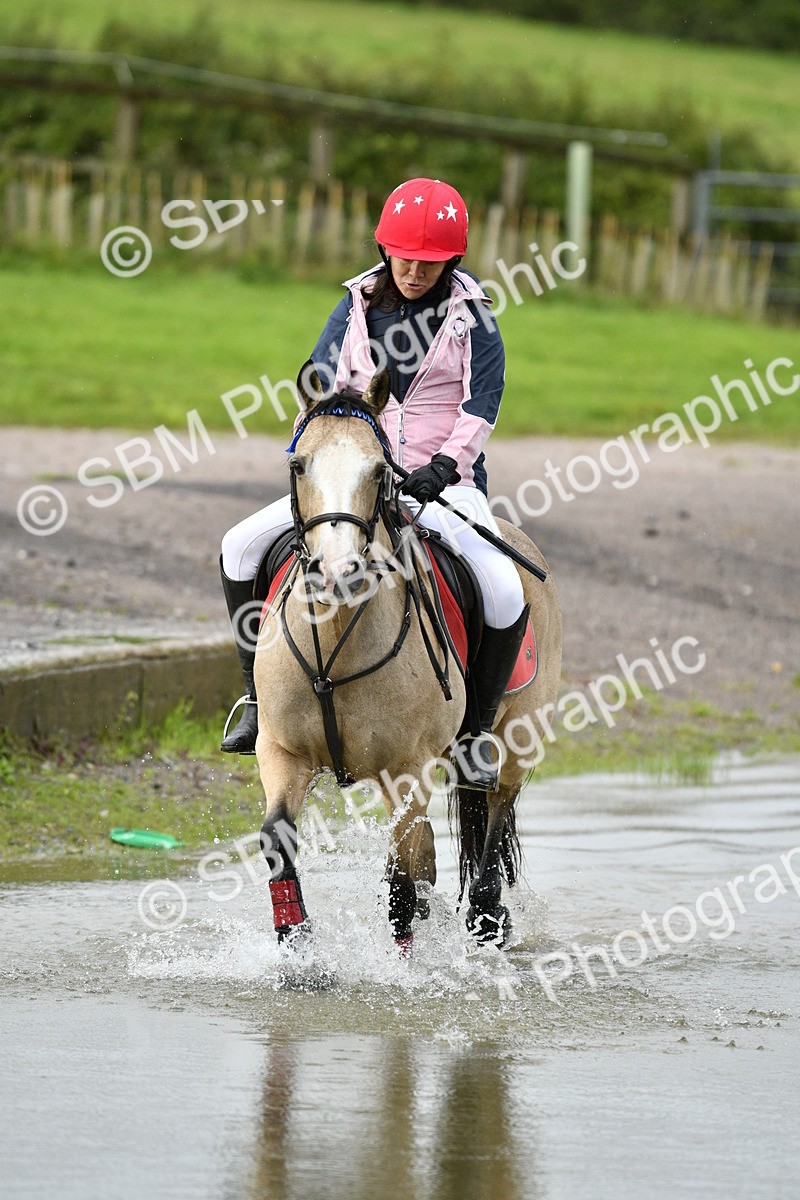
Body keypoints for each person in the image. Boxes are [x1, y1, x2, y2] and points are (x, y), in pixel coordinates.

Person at [219, 176, 527, 790]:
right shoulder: (355, 305)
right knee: (238, 546)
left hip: (444, 484)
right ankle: (256, 701)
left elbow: (482, 404)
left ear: (452, 260)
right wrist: (315, 458)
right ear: (385, 249)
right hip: (353, 480)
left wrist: (445, 466)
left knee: (503, 588)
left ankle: (475, 735)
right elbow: (320, 394)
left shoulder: (474, 316)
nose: (414, 271)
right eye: (404, 257)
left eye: (429, 262)